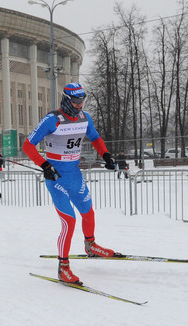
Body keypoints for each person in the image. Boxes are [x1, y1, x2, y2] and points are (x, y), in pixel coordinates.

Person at [22, 82, 120, 285]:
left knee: (88, 211)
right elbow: (27, 145)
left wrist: (107, 156)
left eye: (82, 100)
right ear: (67, 100)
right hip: (57, 178)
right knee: (70, 221)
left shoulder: (85, 118)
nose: (79, 105)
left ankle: (90, 245)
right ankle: (63, 267)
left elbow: (95, 138)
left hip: (74, 174)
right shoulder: (52, 119)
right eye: (75, 101)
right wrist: (45, 166)